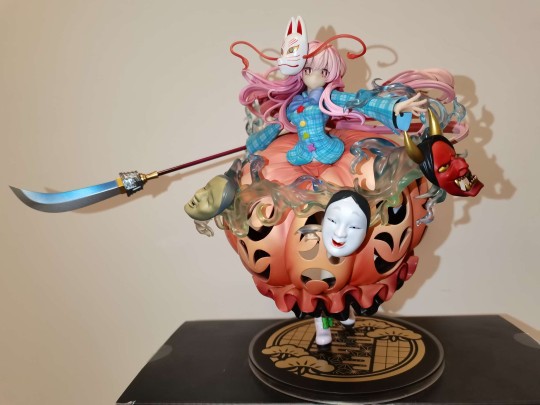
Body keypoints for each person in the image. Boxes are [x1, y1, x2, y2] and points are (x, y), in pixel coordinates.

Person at [232, 16, 427, 166]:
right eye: (308, 70)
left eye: (323, 72)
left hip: (328, 151)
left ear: (329, 74)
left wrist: (393, 107)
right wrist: (253, 145)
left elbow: (359, 101)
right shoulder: (293, 104)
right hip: (300, 154)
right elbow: (278, 127)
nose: (314, 76)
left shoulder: (328, 98)